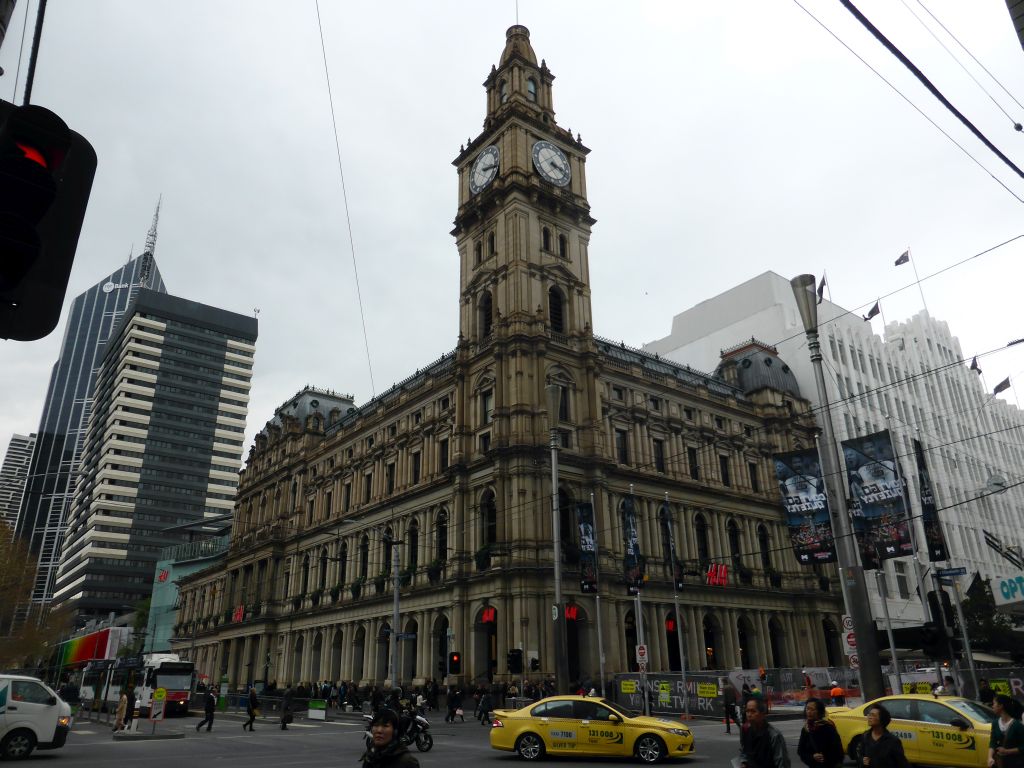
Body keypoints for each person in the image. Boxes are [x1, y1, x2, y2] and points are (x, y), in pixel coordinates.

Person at [740, 697, 791, 768]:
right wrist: (744, 762)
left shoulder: (774, 735)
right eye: (747, 711)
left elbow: (782, 763)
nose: (749, 715)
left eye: (753, 711)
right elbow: (744, 752)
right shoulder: (745, 730)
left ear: (762, 714)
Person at [856, 704, 909, 768]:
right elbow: (860, 755)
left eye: (873, 715)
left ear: (882, 719)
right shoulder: (865, 736)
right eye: (869, 714)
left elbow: (902, 763)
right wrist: (862, 760)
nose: (869, 717)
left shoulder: (893, 741)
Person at [797, 698, 843, 768]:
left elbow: (838, 751)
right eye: (807, 709)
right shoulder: (806, 729)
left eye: (812, 709)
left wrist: (826, 758)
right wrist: (812, 757)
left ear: (819, 711)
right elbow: (801, 751)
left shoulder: (828, 727)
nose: (809, 712)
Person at [988, 694, 1024, 768]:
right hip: (1000, 762)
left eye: (994, 703)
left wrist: (1007, 751)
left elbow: (1022, 747)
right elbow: (992, 742)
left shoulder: (1017, 725)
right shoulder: (995, 723)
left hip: (1015, 763)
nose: (992, 706)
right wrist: (990, 758)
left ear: (1000, 706)